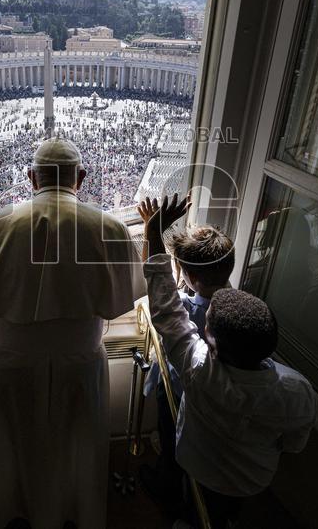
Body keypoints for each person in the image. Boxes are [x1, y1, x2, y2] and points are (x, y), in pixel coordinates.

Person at [0, 138, 146, 529]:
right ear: (81, 177)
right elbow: (128, 292)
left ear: (31, 178)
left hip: (8, 362)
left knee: (7, 450)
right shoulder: (109, 226)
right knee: (74, 450)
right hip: (79, 362)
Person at [141, 195, 316, 527]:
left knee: (199, 512)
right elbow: (293, 443)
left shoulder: (200, 371)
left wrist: (153, 233)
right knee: (222, 510)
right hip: (253, 478)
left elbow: (166, 310)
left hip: (201, 465)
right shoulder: (298, 388)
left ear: (213, 345)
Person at [134, 201, 235, 505]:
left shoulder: (186, 308)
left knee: (171, 440)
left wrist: (153, 232)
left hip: (179, 391)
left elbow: (158, 290)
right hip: (218, 405)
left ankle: (167, 487)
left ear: (191, 278)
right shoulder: (238, 303)